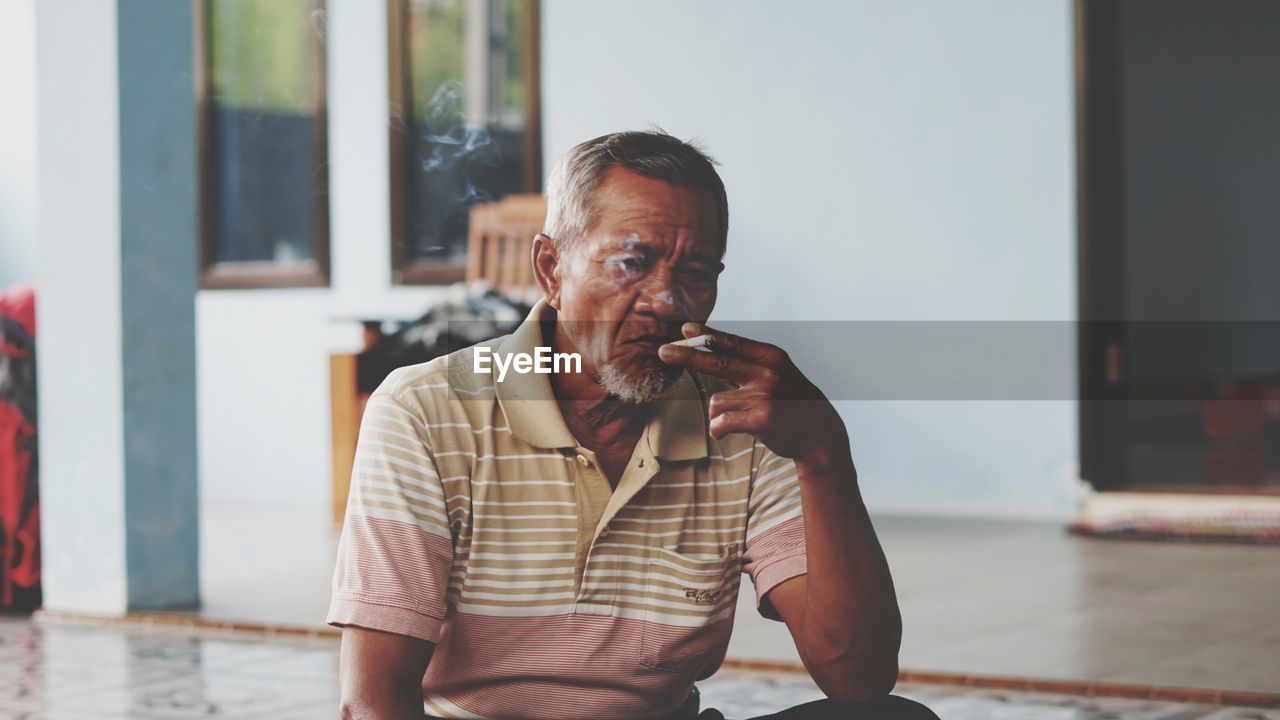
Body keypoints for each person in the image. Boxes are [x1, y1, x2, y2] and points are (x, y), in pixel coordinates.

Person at [330, 131, 938, 720]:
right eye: (631, 262)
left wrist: (823, 451)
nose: (667, 301)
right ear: (550, 270)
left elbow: (858, 677)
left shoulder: (743, 420)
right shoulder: (425, 409)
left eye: (696, 271)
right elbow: (372, 703)